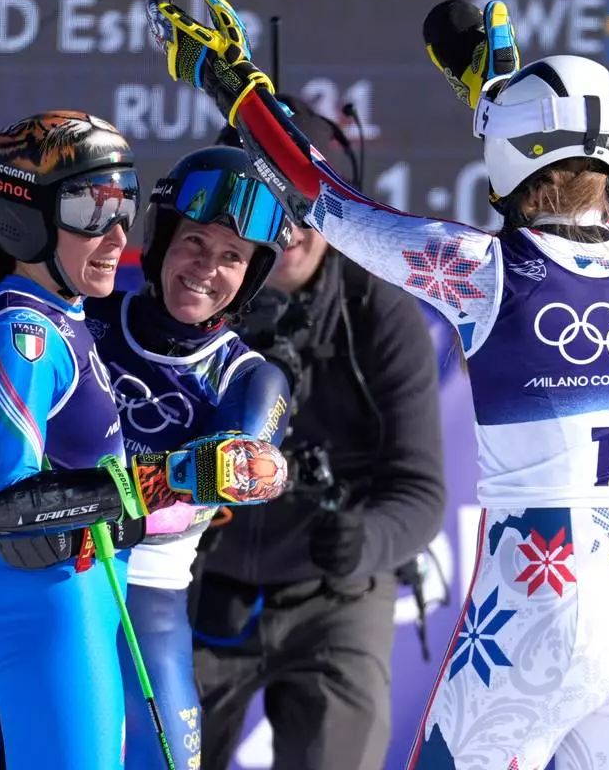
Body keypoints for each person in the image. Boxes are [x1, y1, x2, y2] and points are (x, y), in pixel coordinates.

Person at [148, 0, 609, 770]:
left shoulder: (486, 273)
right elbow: (566, 202)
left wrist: (230, 82)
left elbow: (318, 195)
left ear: (513, 154)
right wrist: (500, 100)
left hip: (546, 593)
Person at [0, 144, 294, 769]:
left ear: (250, 275)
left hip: (141, 615)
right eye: (193, 242)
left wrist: (151, 490)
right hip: (35, 583)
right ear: (160, 240)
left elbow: (222, 486)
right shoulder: (83, 312)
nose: (206, 268)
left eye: (232, 257)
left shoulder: (250, 379)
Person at [188, 93, 446, 770]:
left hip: (336, 596)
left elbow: (420, 490)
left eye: (311, 207)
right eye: (271, 209)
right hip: (196, 587)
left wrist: (367, 542)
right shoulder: (187, 297)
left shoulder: (379, 312)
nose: (293, 230)